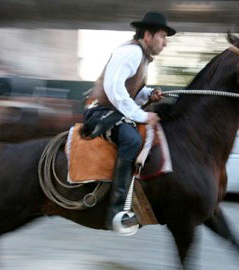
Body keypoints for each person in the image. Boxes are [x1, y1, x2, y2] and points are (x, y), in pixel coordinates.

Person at [81, 11, 176, 230]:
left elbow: (128, 91)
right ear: (148, 35)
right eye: (162, 36)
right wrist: (143, 115)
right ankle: (115, 212)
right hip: (99, 111)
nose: (165, 43)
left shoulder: (140, 55)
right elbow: (114, 90)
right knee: (132, 140)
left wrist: (148, 94)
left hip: (111, 110)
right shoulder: (132, 53)